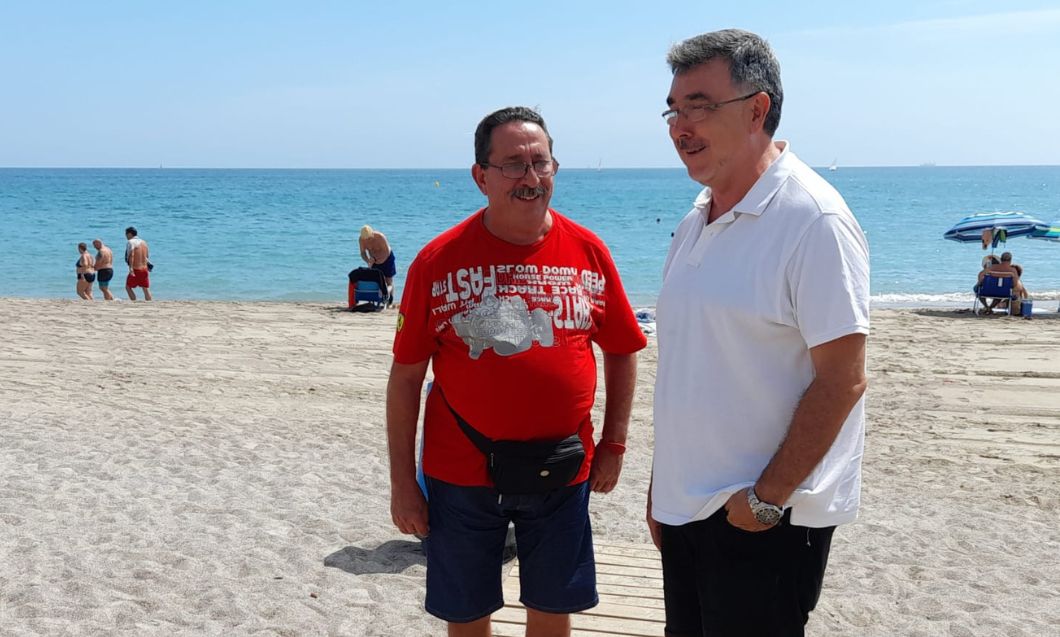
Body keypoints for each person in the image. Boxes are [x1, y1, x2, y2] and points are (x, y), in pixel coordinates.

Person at [387, 106, 647, 637]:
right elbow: (406, 379)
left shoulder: (589, 251)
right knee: (467, 615)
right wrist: (402, 484)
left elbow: (622, 350)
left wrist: (615, 444)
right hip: (461, 472)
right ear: (480, 176)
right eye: (512, 165)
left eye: (540, 162)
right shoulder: (437, 261)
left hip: (563, 468)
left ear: (555, 169)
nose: (529, 177)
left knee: (552, 609)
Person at [649, 30, 870, 636]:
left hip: (764, 517)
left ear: (757, 109)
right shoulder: (696, 220)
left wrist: (766, 498)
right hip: (688, 508)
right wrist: (662, 488)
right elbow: (688, 367)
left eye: (699, 106)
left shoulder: (813, 219)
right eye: (673, 109)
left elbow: (844, 380)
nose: (680, 126)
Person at [359, 225, 396, 302]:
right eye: (365, 239)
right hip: (374, 261)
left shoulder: (380, 237)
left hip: (387, 259)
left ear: (372, 234)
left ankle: (390, 300)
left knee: (389, 280)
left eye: (369, 238)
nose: (367, 241)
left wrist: (376, 259)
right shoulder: (361, 240)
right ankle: (376, 299)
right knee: (376, 281)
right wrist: (368, 260)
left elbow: (386, 252)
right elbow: (362, 253)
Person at [124, 226, 152, 301]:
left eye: (126, 234)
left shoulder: (131, 242)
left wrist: (131, 268)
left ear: (130, 234)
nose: (125, 236)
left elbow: (132, 255)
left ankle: (134, 302)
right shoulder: (144, 242)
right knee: (145, 288)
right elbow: (146, 256)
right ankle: (149, 303)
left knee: (128, 287)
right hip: (144, 269)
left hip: (136, 269)